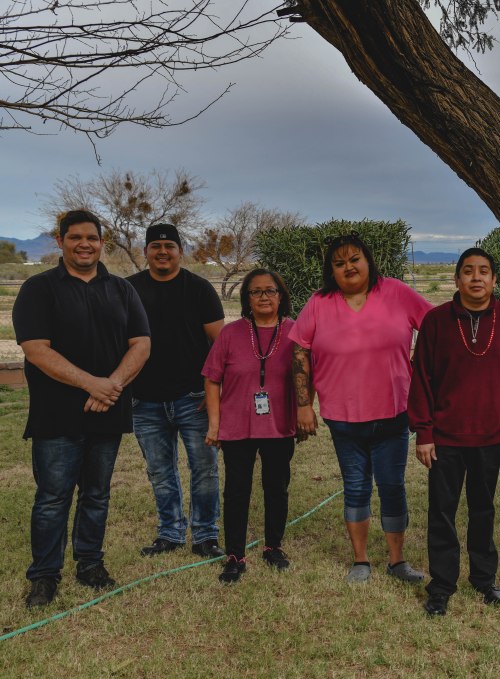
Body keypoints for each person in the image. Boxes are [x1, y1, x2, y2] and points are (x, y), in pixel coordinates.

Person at [14, 210, 151, 608]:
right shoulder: (39, 289)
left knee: (96, 494)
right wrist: (92, 383)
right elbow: (36, 350)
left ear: (101, 242)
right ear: (60, 241)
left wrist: (111, 386)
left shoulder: (122, 289)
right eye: (75, 237)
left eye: (91, 237)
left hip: (107, 412)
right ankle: (44, 576)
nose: (84, 244)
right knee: (53, 497)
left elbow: (141, 344)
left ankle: (90, 564)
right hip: (56, 414)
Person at [290, 234, 433, 583]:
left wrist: (421, 368)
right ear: (331, 271)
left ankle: (397, 561)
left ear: (368, 260)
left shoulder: (396, 292)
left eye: (355, 259)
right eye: (339, 263)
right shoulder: (319, 302)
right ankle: (361, 560)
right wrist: (304, 404)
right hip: (343, 419)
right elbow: (300, 351)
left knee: (392, 486)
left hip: (393, 415)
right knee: (355, 487)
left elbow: (435, 327)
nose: (348, 267)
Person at [409, 248, 500, 616]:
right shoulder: (436, 321)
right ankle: (442, 586)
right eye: (468, 271)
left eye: (483, 271)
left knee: (483, 510)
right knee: (441, 512)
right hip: (444, 437)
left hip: (492, 435)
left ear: (494, 280)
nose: (476, 278)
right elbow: (421, 379)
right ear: (457, 279)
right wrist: (423, 432)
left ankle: (484, 579)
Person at [127, 224, 225, 559]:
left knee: (205, 469)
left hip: (194, 398)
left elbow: (220, 346)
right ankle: (170, 533)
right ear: (146, 252)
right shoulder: (129, 289)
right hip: (144, 399)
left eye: (169, 245)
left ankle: (205, 535)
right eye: (155, 246)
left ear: (180, 251)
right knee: (160, 471)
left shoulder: (199, 289)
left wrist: (215, 395)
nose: (162, 252)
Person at [203, 269, 298, 583]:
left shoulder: (294, 332)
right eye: (256, 292)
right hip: (237, 425)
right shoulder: (231, 333)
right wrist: (214, 424)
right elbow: (212, 379)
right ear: (246, 298)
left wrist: (304, 411)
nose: (263, 297)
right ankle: (234, 555)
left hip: (279, 426)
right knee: (236, 491)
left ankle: (273, 547)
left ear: (280, 295)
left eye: (270, 290)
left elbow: (306, 375)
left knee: (277, 488)